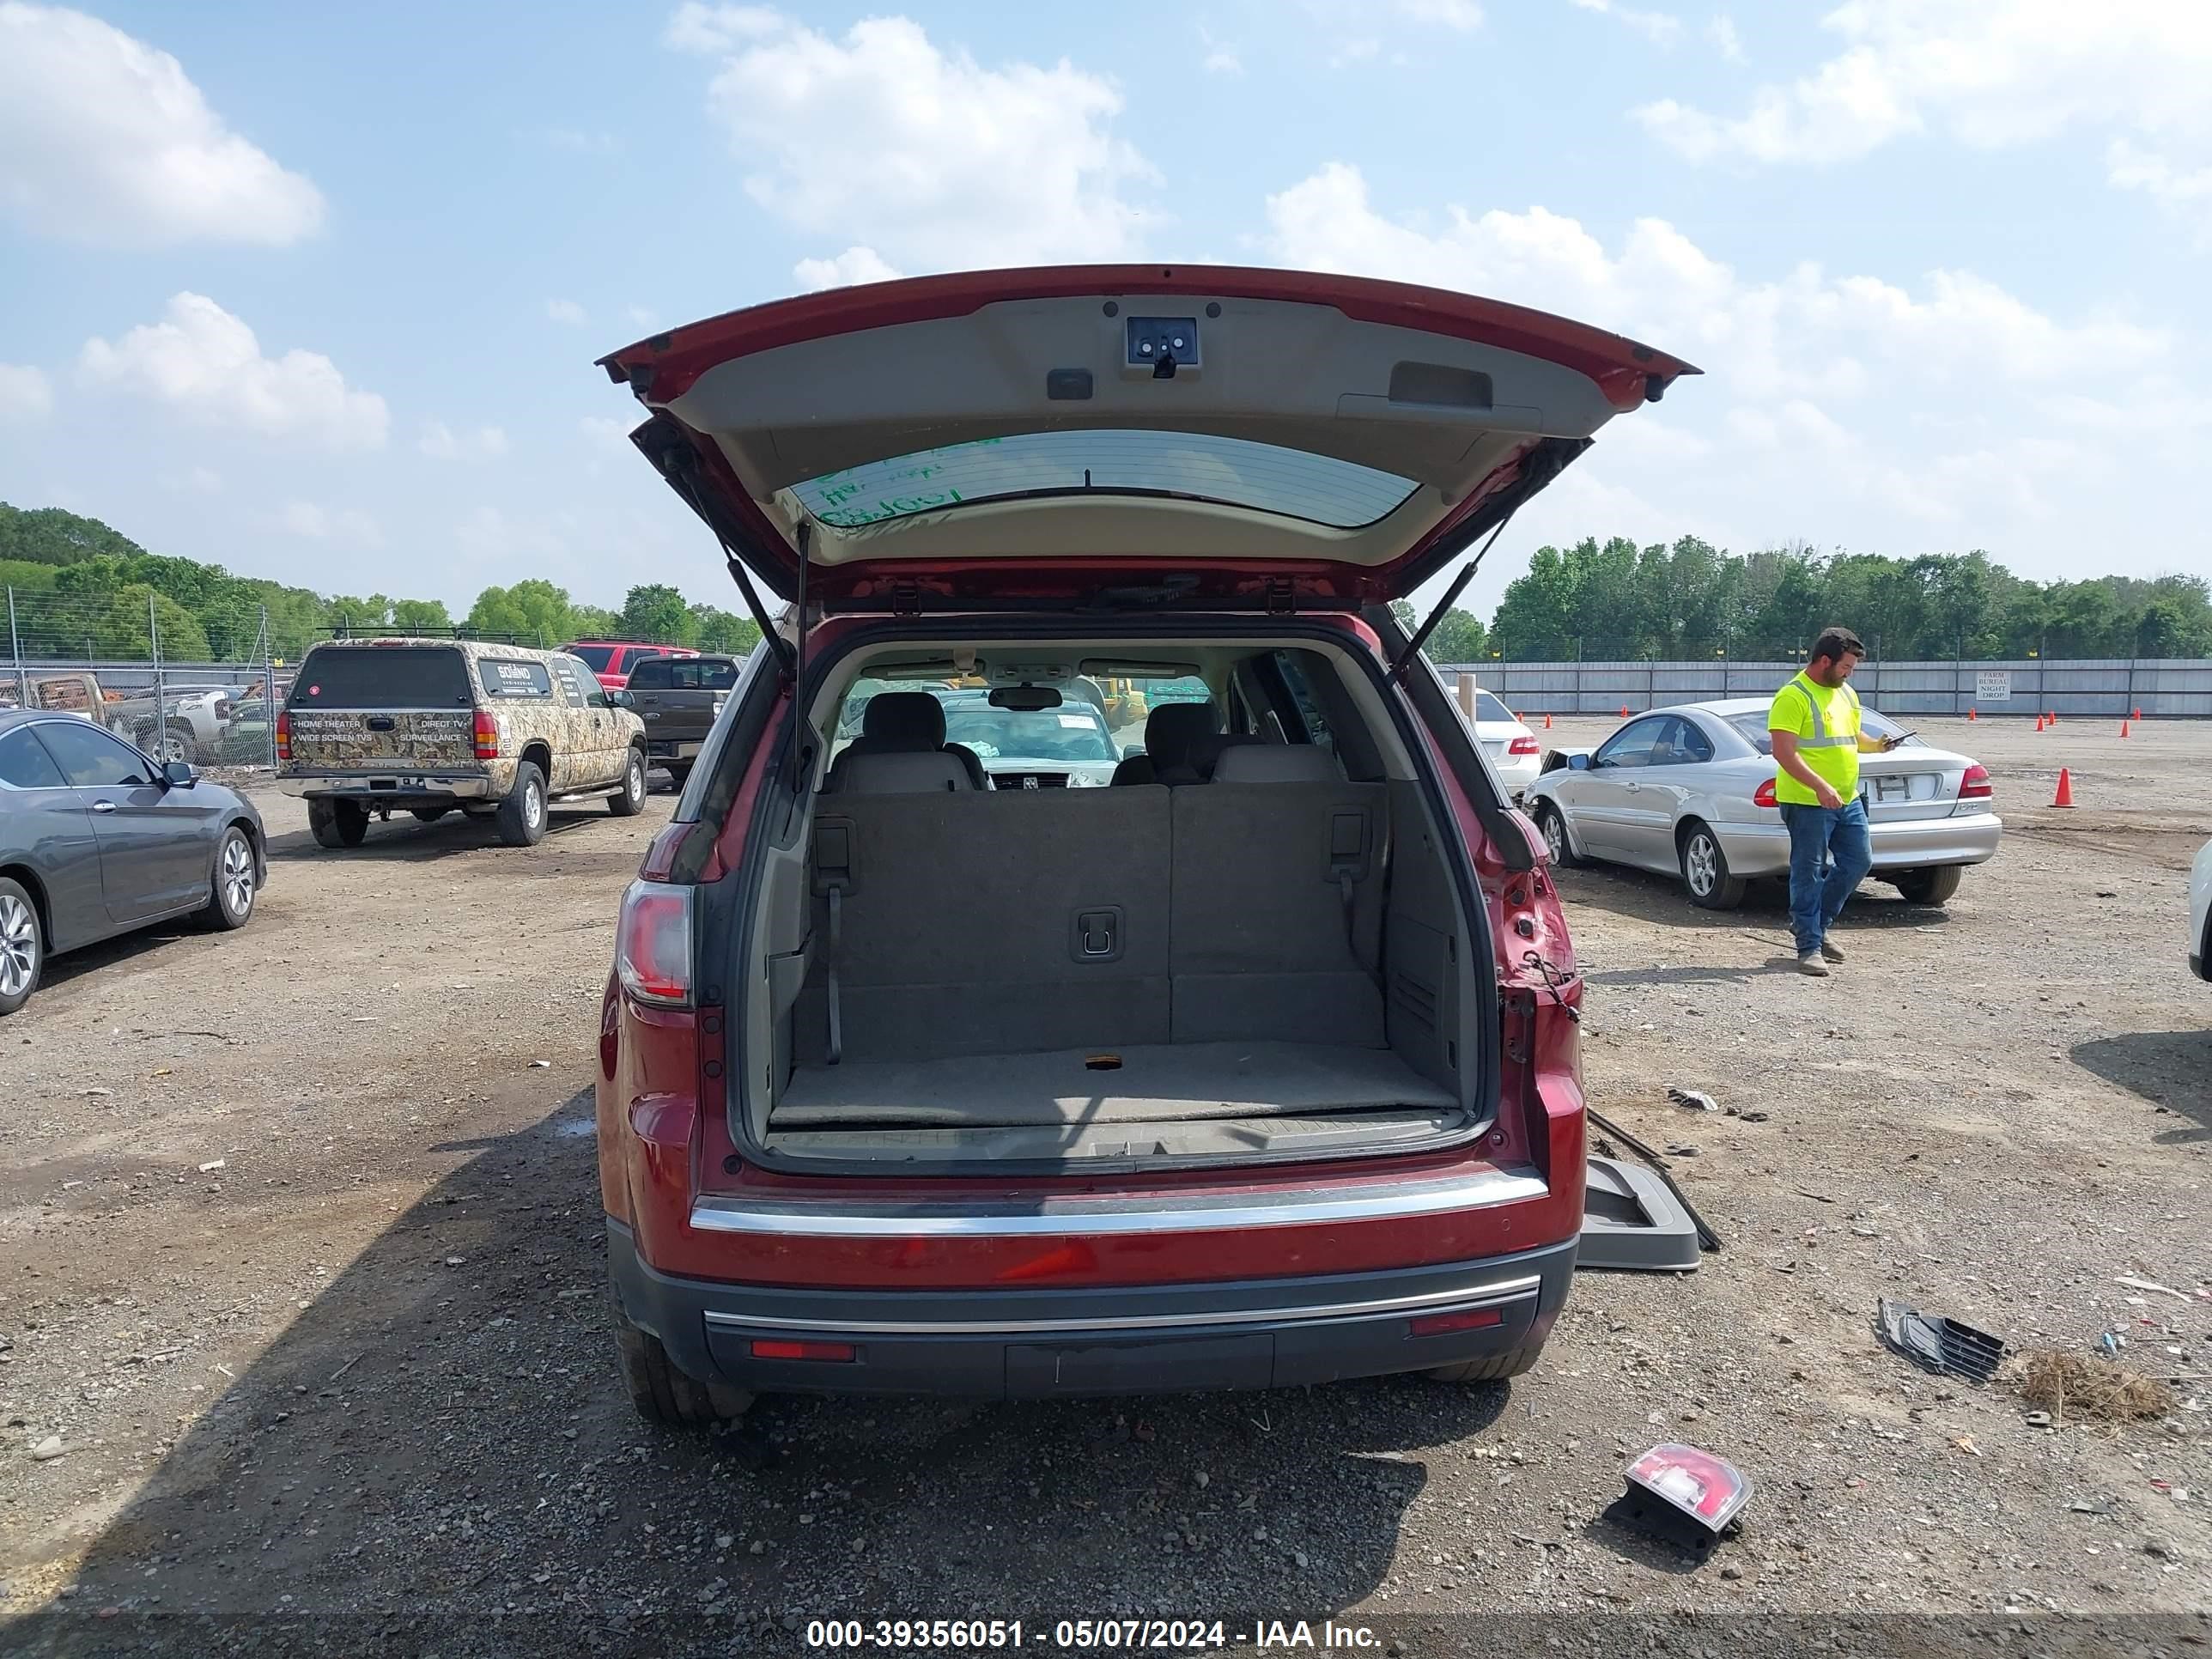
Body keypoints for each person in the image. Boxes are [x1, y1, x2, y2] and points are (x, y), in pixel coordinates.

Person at [1767, 626, 1904, 977]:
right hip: (1808, 801)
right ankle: (1809, 947)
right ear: (1824, 660)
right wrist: (1819, 787)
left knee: (1859, 861)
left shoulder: (1845, 693)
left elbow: (1851, 735)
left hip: (1848, 797)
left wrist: (1878, 744)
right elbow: (1783, 753)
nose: (1849, 673)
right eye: (1845, 667)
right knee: (1808, 871)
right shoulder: (1793, 696)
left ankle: (1813, 925)